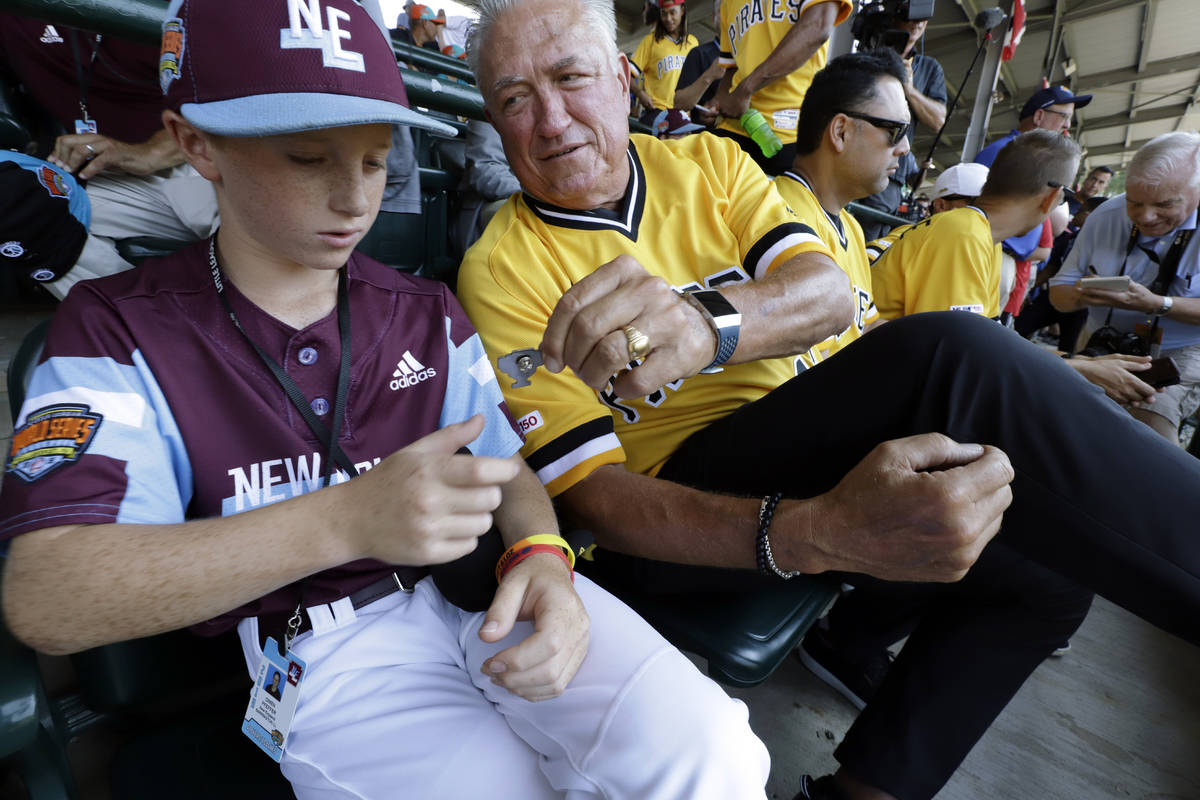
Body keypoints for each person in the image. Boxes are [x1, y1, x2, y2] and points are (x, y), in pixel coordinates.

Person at [0, 2, 772, 798]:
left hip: (477, 587)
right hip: (321, 649)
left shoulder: (423, 308)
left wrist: (545, 559)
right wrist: (348, 518)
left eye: (374, 160)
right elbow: (50, 595)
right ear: (198, 143)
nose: (354, 199)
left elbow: (507, 471)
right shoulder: (117, 327)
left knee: (714, 753)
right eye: (308, 158)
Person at [457, 2, 1200, 798]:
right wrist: (810, 534)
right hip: (673, 509)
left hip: (805, 432)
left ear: (622, 78)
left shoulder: (708, 164)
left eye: (570, 78)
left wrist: (710, 325)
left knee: (1042, 570)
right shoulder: (501, 266)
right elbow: (594, 499)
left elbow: (827, 295)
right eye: (514, 98)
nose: (551, 118)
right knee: (950, 353)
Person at [0, 12, 219, 299]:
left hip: (204, 159)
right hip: (107, 173)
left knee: (261, 200)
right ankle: (142, 328)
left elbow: (249, 99)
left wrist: (152, 151)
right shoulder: (15, 17)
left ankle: (266, 331)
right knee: (21, 202)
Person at [1049, 131, 1200, 444]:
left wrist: (1157, 304)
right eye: (1134, 203)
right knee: (1072, 418)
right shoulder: (1105, 215)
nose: (1146, 217)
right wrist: (1080, 294)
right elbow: (1058, 296)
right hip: (1101, 339)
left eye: (1164, 204)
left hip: (1179, 350)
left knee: (1149, 433)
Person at [975, 86, 1089, 318]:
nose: (1067, 126)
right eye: (1064, 116)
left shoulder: (1032, 158)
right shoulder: (1002, 151)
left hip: (1015, 263)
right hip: (995, 256)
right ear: (1038, 116)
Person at [711, 0, 852, 174]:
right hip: (735, 127)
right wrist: (718, 102)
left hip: (792, 133)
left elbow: (818, 26)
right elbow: (732, 66)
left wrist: (746, 88)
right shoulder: (727, 4)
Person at [853, 8, 947, 240]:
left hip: (889, 169)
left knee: (868, 237)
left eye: (924, 16)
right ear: (895, 12)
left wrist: (909, 89)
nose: (918, 22)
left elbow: (938, 120)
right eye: (912, 13)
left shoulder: (928, 67)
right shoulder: (868, 50)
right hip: (850, 151)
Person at [629, 0, 698, 125]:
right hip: (657, 111)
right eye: (664, 13)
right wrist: (640, 93)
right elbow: (627, 74)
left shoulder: (693, 43)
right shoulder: (650, 41)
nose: (668, 18)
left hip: (684, 115)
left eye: (672, 12)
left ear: (682, 10)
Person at [670, 0, 725, 127]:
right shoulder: (699, 53)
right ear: (714, 18)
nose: (728, 18)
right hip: (709, 139)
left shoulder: (750, 55)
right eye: (722, 12)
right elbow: (679, 104)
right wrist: (709, 75)